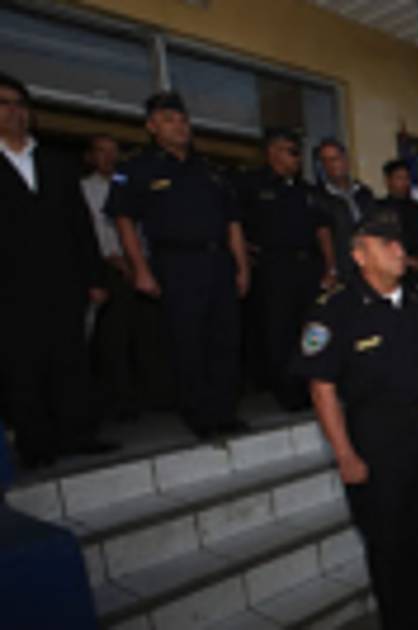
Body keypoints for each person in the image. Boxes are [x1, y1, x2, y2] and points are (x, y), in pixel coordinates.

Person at [291, 213, 418, 630]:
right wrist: (344, 455)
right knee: (390, 552)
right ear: (359, 255)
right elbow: (322, 388)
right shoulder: (337, 309)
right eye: (385, 244)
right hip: (377, 444)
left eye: (399, 243)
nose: (398, 250)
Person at [107, 91, 250, 439]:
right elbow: (124, 220)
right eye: (169, 120)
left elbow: (233, 223)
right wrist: (140, 269)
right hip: (176, 263)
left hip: (219, 261)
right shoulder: (137, 168)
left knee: (225, 340)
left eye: (183, 120)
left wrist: (242, 267)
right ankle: (200, 416)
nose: (179, 126)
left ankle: (225, 412)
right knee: (187, 340)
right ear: (151, 126)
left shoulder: (211, 170)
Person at [0, 72, 115, 468]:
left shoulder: (55, 163)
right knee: (22, 364)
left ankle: (78, 434)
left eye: (19, 103)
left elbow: (81, 224)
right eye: (3, 103)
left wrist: (95, 277)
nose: (13, 111)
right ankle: (36, 444)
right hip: (11, 286)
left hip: (64, 279)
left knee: (71, 358)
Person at [238, 128, 335, 410]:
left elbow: (322, 230)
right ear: (273, 152)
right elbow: (234, 223)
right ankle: (288, 393)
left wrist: (330, 267)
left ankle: (314, 387)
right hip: (274, 267)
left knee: (313, 329)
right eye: (291, 152)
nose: (297, 158)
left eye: (298, 152)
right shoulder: (252, 185)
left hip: (308, 266)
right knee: (279, 331)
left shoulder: (306, 191)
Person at [82, 134, 143, 426]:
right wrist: (115, 260)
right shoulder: (84, 189)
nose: (109, 158)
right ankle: (117, 401)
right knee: (111, 340)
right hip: (107, 269)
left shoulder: (128, 185)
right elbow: (91, 233)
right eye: (102, 151)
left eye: (113, 152)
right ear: (90, 157)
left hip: (138, 267)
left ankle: (143, 395)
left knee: (138, 336)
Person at [375, 158, 418, 301]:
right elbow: (378, 245)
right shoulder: (379, 210)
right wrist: (406, 261)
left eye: (406, 178)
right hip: (395, 276)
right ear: (388, 181)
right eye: (399, 178)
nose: (404, 183)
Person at [314, 138, 375, 280]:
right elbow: (323, 234)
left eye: (334, 159)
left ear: (345, 160)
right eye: (325, 161)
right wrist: (331, 268)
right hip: (345, 269)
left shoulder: (364, 193)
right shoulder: (320, 198)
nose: (331, 165)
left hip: (371, 264)